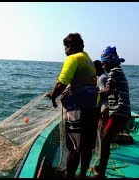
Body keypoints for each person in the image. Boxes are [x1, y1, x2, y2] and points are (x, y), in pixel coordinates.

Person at [46, 33, 99, 178]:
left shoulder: (72, 58)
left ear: (70, 47)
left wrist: (53, 95)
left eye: (65, 47)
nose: (64, 51)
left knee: (74, 147)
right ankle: (82, 174)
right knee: (87, 147)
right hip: (92, 109)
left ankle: (69, 176)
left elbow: (61, 83)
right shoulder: (88, 59)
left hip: (77, 110)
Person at [93, 46, 131, 178]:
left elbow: (107, 90)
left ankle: (101, 173)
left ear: (109, 62)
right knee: (105, 137)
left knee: (105, 139)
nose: (103, 66)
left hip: (119, 112)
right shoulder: (118, 71)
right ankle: (101, 167)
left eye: (104, 63)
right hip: (121, 112)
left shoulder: (114, 71)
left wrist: (91, 93)